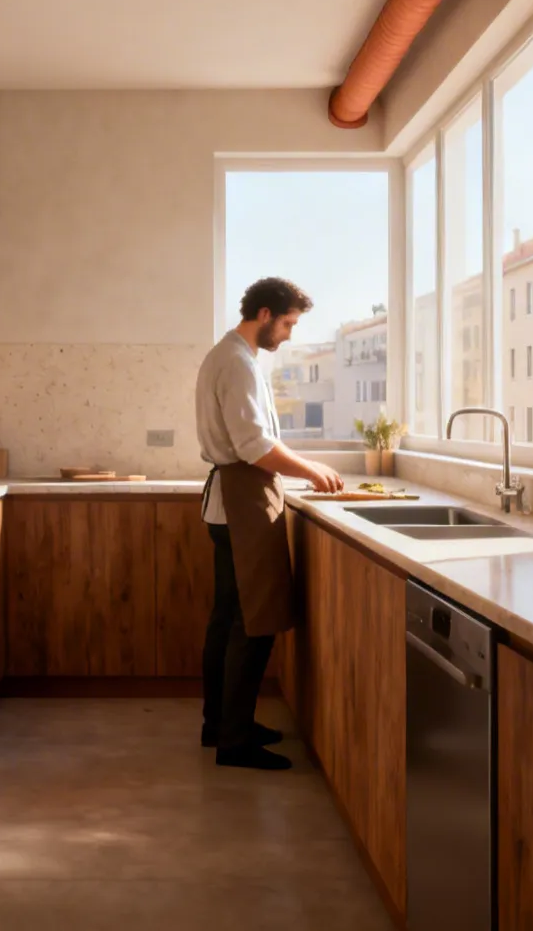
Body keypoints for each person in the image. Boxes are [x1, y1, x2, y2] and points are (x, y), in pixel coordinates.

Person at [195, 277, 345, 770]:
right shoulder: (236, 363)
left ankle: (220, 725)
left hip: (235, 502)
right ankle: (233, 741)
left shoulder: (233, 357)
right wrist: (312, 469)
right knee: (251, 623)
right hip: (241, 502)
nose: (289, 334)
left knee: (229, 620)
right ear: (264, 314)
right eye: (287, 323)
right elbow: (254, 447)